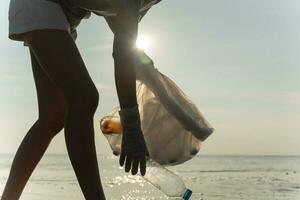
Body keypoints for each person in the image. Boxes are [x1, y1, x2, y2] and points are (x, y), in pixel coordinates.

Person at [1, 0, 161, 199]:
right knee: (83, 98)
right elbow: (122, 48)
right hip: (41, 5)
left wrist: (141, 58)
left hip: (61, 15)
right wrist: (131, 123)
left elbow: (118, 25)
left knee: (52, 117)